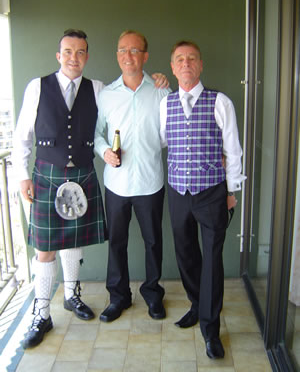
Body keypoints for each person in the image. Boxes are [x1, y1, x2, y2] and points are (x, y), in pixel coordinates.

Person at [13, 29, 107, 349]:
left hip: (82, 174)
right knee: (45, 249)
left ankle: (70, 295)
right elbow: (22, 136)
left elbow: (116, 115)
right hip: (46, 176)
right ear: (58, 55)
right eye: (68, 51)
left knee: (73, 240)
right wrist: (22, 177)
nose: (73, 58)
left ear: (87, 56)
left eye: (80, 52)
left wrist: (158, 84)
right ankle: (41, 313)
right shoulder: (37, 87)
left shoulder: (98, 89)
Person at [160, 40, 246, 359]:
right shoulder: (165, 103)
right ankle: (197, 305)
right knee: (186, 255)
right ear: (172, 67)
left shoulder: (219, 101)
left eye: (191, 58)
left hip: (212, 193)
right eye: (179, 59)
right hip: (179, 192)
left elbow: (233, 149)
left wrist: (232, 190)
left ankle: (210, 330)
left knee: (211, 259)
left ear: (200, 65)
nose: (186, 63)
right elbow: (163, 140)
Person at [94, 30, 171, 323]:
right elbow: (97, 134)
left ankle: (153, 294)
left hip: (151, 181)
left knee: (153, 241)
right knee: (117, 242)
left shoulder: (162, 91)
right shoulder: (107, 95)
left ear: (145, 56)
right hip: (116, 184)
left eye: (135, 51)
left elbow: (169, 135)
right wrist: (105, 153)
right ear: (117, 55)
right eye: (123, 50)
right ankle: (118, 297)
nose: (129, 56)